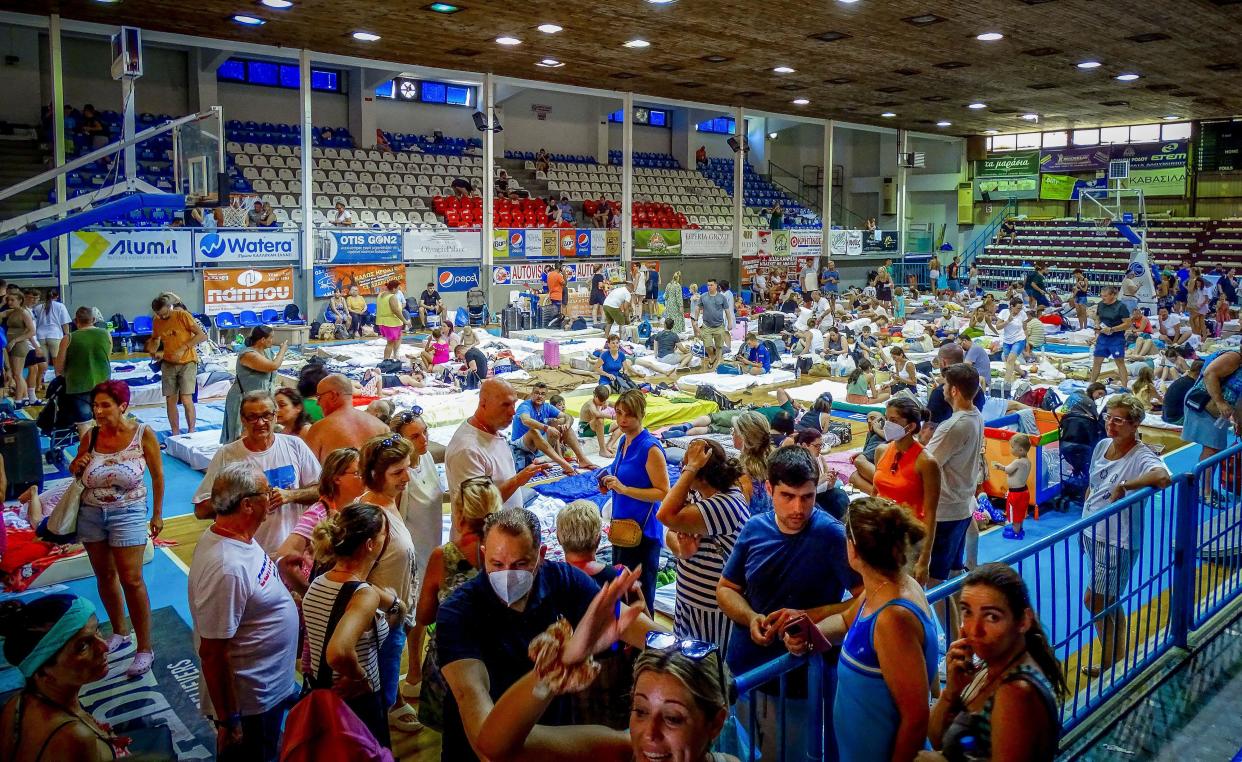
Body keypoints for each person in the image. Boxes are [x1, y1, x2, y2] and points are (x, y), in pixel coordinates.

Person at [436, 507, 659, 761]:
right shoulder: (458, 613)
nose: (507, 575)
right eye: (497, 564)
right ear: (483, 554)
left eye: (520, 564)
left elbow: (625, 621)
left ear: (541, 555)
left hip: (551, 738)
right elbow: (483, 736)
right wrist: (558, 667)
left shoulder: (562, 580)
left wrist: (683, 651)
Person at [717, 446, 860, 761]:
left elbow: (866, 599)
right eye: (788, 496)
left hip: (797, 682)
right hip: (743, 671)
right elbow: (726, 589)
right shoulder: (755, 528)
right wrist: (751, 616)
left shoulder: (830, 535)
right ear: (769, 489)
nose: (798, 508)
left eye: (807, 497)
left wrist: (809, 616)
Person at [779, 496, 935, 760]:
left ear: (853, 549)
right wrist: (810, 634)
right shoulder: (882, 586)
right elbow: (844, 621)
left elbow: (917, 717)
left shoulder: (892, 618)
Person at [189, 462, 299, 762]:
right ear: (248, 504)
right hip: (251, 703)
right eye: (267, 491)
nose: (273, 495)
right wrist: (228, 720)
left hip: (266, 689)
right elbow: (212, 652)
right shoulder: (227, 567)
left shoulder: (238, 540)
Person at [66, 380, 163, 678]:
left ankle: (145, 647)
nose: (98, 411)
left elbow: (158, 477)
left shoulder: (143, 434)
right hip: (92, 513)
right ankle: (120, 630)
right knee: (105, 576)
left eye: (105, 405)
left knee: (132, 580)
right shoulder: (91, 435)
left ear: (123, 406)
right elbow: (77, 472)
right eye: (95, 405)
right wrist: (78, 465)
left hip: (129, 512)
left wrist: (157, 515)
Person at [930, 563, 1067, 761]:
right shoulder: (988, 666)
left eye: (992, 617)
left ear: (1023, 621)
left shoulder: (1016, 693)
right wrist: (951, 693)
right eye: (967, 612)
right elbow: (934, 738)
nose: (975, 629)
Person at [1081, 394, 1172, 676]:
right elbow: (1094, 484)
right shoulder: (1103, 445)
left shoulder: (1142, 455)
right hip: (1092, 533)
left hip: (1116, 541)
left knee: (1096, 600)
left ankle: (1113, 662)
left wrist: (1124, 486)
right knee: (1107, 600)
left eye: (1118, 420)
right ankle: (1115, 661)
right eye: (1108, 417)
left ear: (1134, 425)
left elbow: (1162, 476)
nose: (1111, 424)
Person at [304, 503, 403, 748]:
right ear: (370, 545)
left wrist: (392, 601)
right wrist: (358, 678)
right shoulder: (363, 595)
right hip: (357, 702)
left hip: (322, 694)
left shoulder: (319, 581)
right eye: (384, 534)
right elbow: (338, 651)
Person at [414, 475, 501, 731]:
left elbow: (424, 616)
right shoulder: (508, 553)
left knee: (455, 738)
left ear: (460, 512)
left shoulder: (445, 556)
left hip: (452, 664)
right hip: (498, 658)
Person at [194, 390, 322, 555]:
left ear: (275, 416)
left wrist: (291, 495)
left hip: (292, 553)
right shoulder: (227, 455)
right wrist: (243, 500)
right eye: (252, 417)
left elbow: (322, 491)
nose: (260, 422)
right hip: (247, 553)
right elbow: (201, 510)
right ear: (243, 420)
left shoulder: (295, 445)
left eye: (266, 415)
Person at [352, 434, 422, 731]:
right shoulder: (372, 518)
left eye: (407, 468)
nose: (407, 477)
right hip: (380, 625)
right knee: (375, 706)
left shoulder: (388, 502)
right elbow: (353, 579)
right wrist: (394, 604)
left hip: (394, 618)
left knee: (386, 690)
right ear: (373, 475)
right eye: (397, 473)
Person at [0, 594, 124, 761]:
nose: (104, 646)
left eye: (97, 630)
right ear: (42, 671)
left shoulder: (16, 704)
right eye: (82, 646)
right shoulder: (75, 738)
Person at [658, 438, 750, 652]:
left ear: (700, 472)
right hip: (689, 602)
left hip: (713, 611)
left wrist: (691, 467)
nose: (682, 470)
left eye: (686, 465)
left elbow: (664, 515)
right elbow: (670, 531)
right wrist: (681, 550)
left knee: (707, 671)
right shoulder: (697, 493)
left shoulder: (724, 505)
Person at [600, 389, 670, 608]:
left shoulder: (649, 448)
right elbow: (618, 474)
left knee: (640, 595)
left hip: (643, 531)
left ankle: (642, 640)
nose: (622, 419)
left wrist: (624, 489)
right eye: (619, 413)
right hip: (622, 526)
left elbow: (663, 491)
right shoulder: (624, 441)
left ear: (640, 415)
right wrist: (607, 482)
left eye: (628, 414)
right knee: (622, 589)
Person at [923, 363, 984, 594]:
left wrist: (920, 441)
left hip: (946, 511)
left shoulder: (953, 426)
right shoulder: (976, 416)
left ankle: (952, 629)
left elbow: (927, 464)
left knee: (934, 581)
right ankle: (958, 628)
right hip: (962, 505)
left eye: (946, 385)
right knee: (954, 574)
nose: (943, 388)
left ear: (954, 390)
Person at [446, 377, 551, 509]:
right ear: (483, 403)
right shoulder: (468, 450)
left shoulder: (491, 430)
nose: (513, 412)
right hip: (488, 529)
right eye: (505, 405)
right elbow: (478, 507)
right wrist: (519, 479)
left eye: (514, 404)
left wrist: (523, 476)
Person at [274, 447, 365, 595]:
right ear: (336, 478)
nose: (364, 477)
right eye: (357, 473)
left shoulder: (355, 507)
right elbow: (283, 557)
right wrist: (308, 593)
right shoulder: (317, 513)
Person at [146, 294, 206, 436]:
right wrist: (155, 352)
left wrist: (183, 348)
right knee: (170, 399)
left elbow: (202, 336)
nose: (162, 317)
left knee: (186, 399)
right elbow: (156, 339)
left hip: (187, 361)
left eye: (164, 314)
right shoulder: (157, 321)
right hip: (167, 363)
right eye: (159, 315)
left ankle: (192, 430)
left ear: (169, 307)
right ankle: (175, 432)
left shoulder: (182, 316)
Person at [220, 326, 288, 444]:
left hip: (261, 399)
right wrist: (282, 351)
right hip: (243, 398)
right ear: (262, 339)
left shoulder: (267, 352)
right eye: (270, 338)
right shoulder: (248, 355)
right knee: (241, 433)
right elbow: (272, 366)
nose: (272, 341)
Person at [52, 306, 111, 434]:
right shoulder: (106, 334)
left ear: (76, 321)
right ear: (94, 319)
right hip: (103, 384)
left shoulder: (68, 338)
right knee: (105, 421)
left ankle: (87, 452)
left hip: (78, 386)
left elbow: (59, 367)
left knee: (84, 424)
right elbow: (108, 357)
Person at [303, 374, 390, 461]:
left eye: (319, 397)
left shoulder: (319, 429)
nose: (318, 403)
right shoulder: (382, 427)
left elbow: (308, 470)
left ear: (333, 395)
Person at [511, 382, 590, 474]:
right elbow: (526, 420)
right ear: (532, 394)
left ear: (546, 396)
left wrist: (566, 424)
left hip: (539, 444)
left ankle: (582, 460)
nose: (539, 396)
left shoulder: (547, 407)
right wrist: (547, 428)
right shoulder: (525, 406)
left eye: (542, 394)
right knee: (534, 432)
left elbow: (567, 416)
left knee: (562, 425)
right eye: (537, 393)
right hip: (521, 444)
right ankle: (562, 463)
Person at [1089, 286, 1133, 388]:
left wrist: (1112, 329)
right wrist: (1097, 324)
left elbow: (1127, 324)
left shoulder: (1121, 307)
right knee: (1097, 361)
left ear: (1113, 295)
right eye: (1101, 296)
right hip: (1103, 337)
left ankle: (1124, 386)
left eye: (1105, 296)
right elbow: (1098, 317)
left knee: (1119, 362)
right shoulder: (1101, 304)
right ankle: (1091, 384)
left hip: (1116, 338)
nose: (1102, 298)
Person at [31, 290, 71, 398]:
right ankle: (58, 384)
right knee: (57, 362)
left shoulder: (38, 307)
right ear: (57, 296)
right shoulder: (60, 306)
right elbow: (64, 323)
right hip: (55, 335)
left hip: (40, 336)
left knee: (42, 363)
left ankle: (39, 384)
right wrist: (68, 336)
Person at [994, 433, 1033, 540]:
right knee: (1020, 512)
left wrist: (1000, 467)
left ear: (1020, 450)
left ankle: (1015, 532)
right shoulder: (1028, 462)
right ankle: (1019, 529)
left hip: (1016, 493)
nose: (1011, 449)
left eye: (1012, 447)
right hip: (1024, 491)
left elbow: (1008, 470)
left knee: (1015, 512)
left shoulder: (1018, 462)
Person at [1, 291, 36, 405]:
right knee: (14, 373)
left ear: (20, 301)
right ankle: (24, 397)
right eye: (8, 300)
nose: (9, 302)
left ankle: (18, 400)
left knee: (17, 374)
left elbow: (32, 331)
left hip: (19, 345)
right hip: (10, 344)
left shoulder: (24, 313)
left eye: (12, 300)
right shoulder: (11, 312)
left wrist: (16, 340)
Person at [696, 279, 731, 370]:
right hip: (706, 325)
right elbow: (698, 308)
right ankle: (712, 356)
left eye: (711, 285)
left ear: (716, 286)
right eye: (708, 285)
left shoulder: (722, 297)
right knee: (707, 345)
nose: (709, 287)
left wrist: (730, 322)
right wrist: (695, 320)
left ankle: (718, 362)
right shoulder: (703, 297)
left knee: (719, 346)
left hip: (719, 326)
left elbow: (727, 311)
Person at [1162, 358, 1202, 425]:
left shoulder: (1182, 380)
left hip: (1166, 415)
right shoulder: (1190, 385)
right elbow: (1195, 406)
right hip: (1175, 419)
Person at [375, 280, 405, 360]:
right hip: (391, 322)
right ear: (394, 289)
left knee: (398, 337)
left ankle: (395, 355)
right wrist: (405, 321)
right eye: (398, 288)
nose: (399, 290)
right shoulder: (392, 297)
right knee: (390, 343)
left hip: (383, 321)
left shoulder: (380, 295)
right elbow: (396, 311)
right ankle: (386, 360)